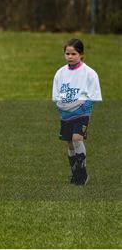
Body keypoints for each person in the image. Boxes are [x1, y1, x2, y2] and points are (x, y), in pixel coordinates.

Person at [52, 38, 101, 185]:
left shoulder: (89, 73)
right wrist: (61, 106)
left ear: (81, 54)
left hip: (82, 113)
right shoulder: (60, 73)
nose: (70, 56)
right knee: (69, 143)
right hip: (66, 115)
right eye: (67, 53)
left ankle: (82, 174)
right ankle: (74, 174)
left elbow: (94, 96)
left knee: (76, 139)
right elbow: (56, 96)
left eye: (74, 53)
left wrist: (82, 107)